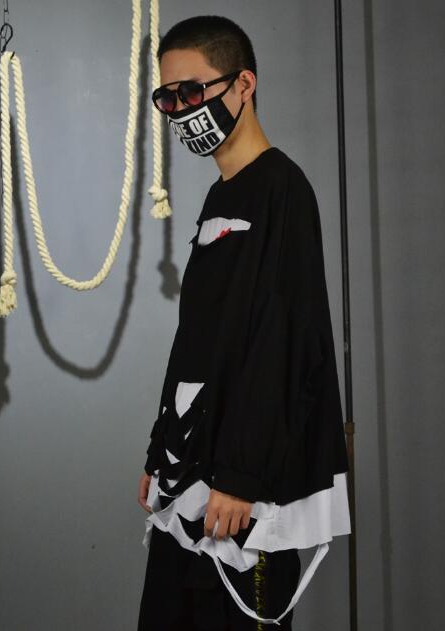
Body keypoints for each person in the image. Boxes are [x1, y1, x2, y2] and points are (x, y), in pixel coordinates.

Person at [136, 15, 351, 630]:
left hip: (240, 485)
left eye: (192, 91)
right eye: (168, 98)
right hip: (189, 466)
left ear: (243, 84)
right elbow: (199, 337)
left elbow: (285, 340)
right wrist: (159, 449)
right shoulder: (219, 196)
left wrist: (240, 476)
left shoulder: (283, 189)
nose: (182, 110)